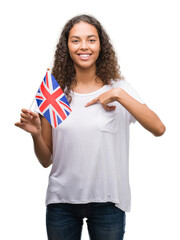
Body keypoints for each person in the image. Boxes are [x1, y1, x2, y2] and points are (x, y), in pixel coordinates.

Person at [15, 14, 166, 240]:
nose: (83, 46)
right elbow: (46, 160)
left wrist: (118, 95)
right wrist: (36, 134)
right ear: (66, 46)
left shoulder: (119, 88)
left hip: (108, 202)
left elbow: (158, 128)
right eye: (76, 40)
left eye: (91, 40)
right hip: (61, 203)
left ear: (100, 45)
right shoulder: (54, 93)